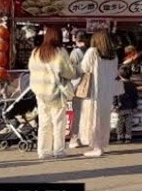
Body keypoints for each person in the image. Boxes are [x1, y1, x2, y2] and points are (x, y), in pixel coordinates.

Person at [27, 27, 76, 160]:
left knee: (44, 122)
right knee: (58, 122)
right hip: (56, 92)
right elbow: (69, 73)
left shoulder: (36, 52)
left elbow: (31, 69)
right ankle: (58, 150)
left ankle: (43, 151)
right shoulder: (60, 52)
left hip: (40, 91)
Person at [77, 31, 121, 157]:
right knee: (103, 119)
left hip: (94, 91)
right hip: (107, 91)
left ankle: (96, 147)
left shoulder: (92, 52)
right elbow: (114, 73)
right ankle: (101, 145)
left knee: (92, 118)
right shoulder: (113, 55)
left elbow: (84, 68)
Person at [67, 31, 89, 149]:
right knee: (87, 113)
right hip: (89, 86)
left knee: (77, 114)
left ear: (76, 40)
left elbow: (71, 71)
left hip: (77, 86)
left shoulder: (75, 53)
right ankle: (84, 137)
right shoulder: (91, 52)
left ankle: (74, 138)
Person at [114, 68, 140, 143]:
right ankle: (128, 137)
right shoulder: (133, 85)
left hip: (120, 107)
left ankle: (120, 137)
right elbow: (135, 97)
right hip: (130, 107)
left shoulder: (118, 84)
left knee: (120, 122)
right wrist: (135, 106)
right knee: (128, 123)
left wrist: (115, 105)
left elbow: (115, 95)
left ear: (120, 75)